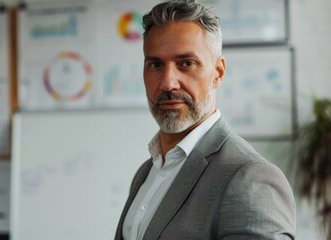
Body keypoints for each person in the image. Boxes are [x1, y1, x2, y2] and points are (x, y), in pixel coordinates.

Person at [114, 0, 296, 239]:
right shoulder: (146, 172)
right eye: (156, 64)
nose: (168, 82)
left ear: (218, 73)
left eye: (186, 63)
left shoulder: (250, 177)